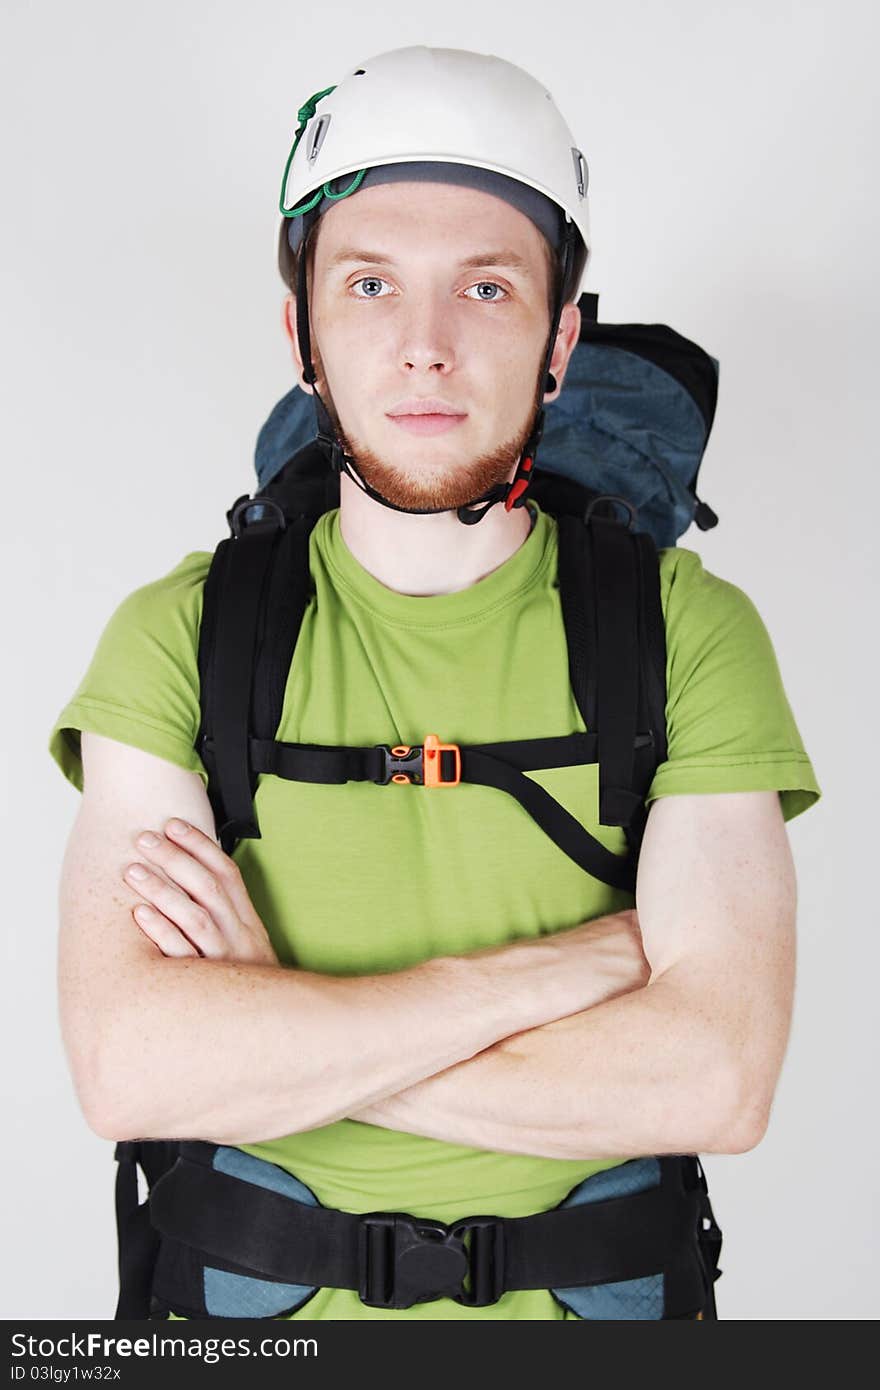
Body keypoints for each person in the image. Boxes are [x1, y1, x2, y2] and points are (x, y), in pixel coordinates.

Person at [48, 46, 821, 1321]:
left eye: (486, 287)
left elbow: (715, 1082)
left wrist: (279, 1032)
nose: (425, 347)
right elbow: (130, 1068)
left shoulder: (686, 633)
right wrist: (549, 975)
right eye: (368, 284)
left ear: (559, 336)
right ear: (300, 330)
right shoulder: (180, 635)